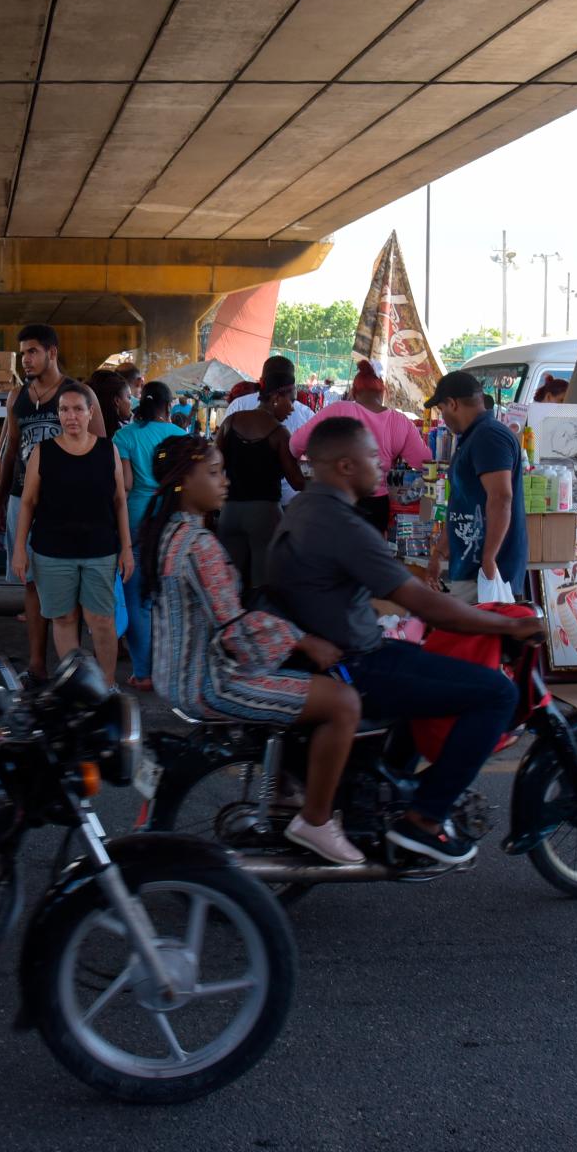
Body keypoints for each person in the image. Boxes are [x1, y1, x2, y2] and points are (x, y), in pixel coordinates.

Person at [265, 416, 541, 865]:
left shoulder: (304, 507)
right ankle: (425, 818)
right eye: (373, 456)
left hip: (332, 650)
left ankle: (388, 789)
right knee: (496, 693)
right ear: (345, 466)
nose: (382, 464)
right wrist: (507, 626)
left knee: (422, 665)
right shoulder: (341, 524)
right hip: (354, 662)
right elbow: (423, 603)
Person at [141, 437, 365, 863]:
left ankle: (285, 785)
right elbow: (234, 629)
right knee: (343, 702)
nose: (225, 481)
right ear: (183, 482)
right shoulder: (199, 545)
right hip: (213, 683)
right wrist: (302, 639)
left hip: (177, 679)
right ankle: (315, 821)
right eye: (214, 472)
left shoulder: (167, 533)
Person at [11, 381, 132, 684]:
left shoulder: (108, 450)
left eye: (78, 409)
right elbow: (27, 503)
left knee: (102, 621)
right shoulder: (44, 451)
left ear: (91, 413)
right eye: (64, 410)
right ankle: (77, 687)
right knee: (63, 619)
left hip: (100, 550)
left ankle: (105, 686)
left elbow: (119, 502)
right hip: (51, 551)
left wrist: (126, 548)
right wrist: (18, 549)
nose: (71, 416)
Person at [0, 323, 71, 676]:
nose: (25, 359)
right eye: (23, 353)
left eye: (32, 352)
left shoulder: (76, 393)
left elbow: (102, 449)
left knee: (69, 584)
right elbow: (10, 453)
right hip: (19, 500)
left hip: (63, 505)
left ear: (52, 352)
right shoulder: (16, 397)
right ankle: (38, 665)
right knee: (30, 585)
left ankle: (73, 668)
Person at [290, 358, 431, 535]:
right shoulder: (401, 422)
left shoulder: (338, 409)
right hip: (377, 506)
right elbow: (426, 463)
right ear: (383, 391)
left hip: (335, 501)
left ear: (354, 392)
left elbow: (295, 444)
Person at [112, 381, 188, 690]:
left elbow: (125, 484)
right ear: (170, 407)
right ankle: (172, 670)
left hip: (135, 520)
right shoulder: (182, 437)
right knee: (168, 597)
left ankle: (143, 673)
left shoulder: (124, 436)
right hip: (172, 520)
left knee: (137, 600)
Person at [427, 371, 527, 603]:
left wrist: (489, 558)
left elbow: (501, 498)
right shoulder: (475, 437)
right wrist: (440, 552)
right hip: (471, 567)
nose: (443, 418)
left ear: (452, 404)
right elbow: (462, 502)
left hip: (485, 573)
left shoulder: (488, 436)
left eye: (441, 409)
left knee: (477, 637)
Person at [214, 376, 304, 599]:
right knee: (263, 590)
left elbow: (213, 465)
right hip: (265, 517)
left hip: (229, 514)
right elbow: (297, 481)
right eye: (290, 400)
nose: (292, 408)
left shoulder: (230, 422)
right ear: (275, 397)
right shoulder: (280, 434)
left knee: (228, 590)